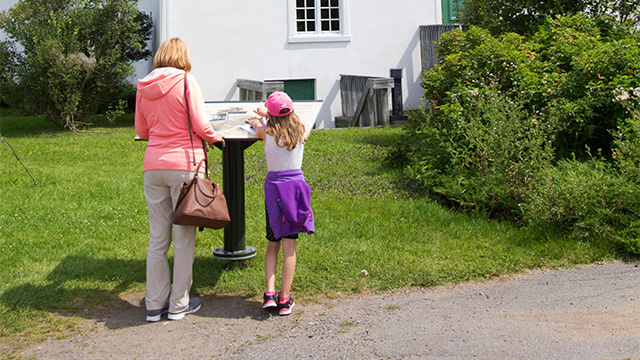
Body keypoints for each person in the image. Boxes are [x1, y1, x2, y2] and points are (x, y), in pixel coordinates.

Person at [135, 38, 225, 322]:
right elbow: (200, 123)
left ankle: (153, 304)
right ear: (183, 56)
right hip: (185, 166)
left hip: (153, 167)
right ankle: (178, 305)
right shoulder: (187, 81)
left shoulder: (143, 86)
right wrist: (215, 138)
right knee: (184, 239)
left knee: (157, 239)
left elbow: (142, 129)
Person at [245, 91, 314, 316]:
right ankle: (285, 299)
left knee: (272, 243)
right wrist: (269, 114)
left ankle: (269, 294)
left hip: (274, 192)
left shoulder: (266, 132)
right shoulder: (300, 131)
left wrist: (258, 120)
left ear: (270, 116)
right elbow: (283, 118)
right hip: (294, 191)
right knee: (289, 247)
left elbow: (259, 126)